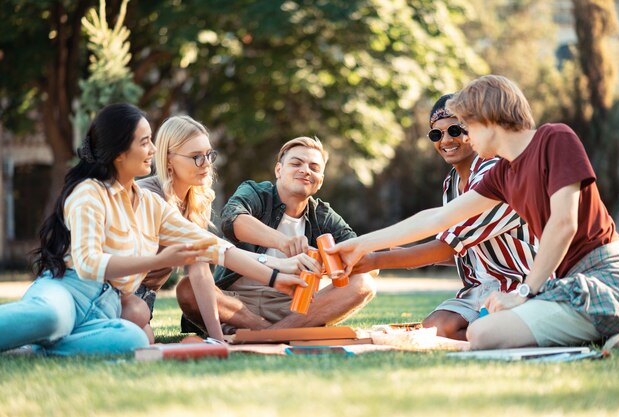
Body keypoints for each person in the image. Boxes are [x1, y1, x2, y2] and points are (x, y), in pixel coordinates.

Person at [329, 75, 619, 349]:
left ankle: (611, 324)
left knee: (485, 334)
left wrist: (525, 292)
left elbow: (563, 224)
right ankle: (609, 332)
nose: (465, 136)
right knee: (482, 333)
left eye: (466, 125)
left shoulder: (555, 138)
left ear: (487, 119)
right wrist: (360, 245)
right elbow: (436, 218)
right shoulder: (503, 174)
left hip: (605, 272)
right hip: (563, 282)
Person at [0, 103, 303, 356]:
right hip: (69, 290)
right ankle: (44, 335)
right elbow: (89, 263)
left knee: (133, 341)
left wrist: (276, 276)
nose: (153, 149)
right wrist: (158, 261)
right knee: (53, 317)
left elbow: (212, 246)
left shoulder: (150, 205)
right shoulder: (89, 193)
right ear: (119, 152)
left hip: (106, 308)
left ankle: (35, 349)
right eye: (144, 141)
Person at [351, 94, 542, 341]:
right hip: (480, 288)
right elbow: (465, 249)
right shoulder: (451, 183)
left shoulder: (495, 173)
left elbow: (448, 245)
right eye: (436, 134)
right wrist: (410, 256)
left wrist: (377, 260)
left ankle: (510, 328)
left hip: (519, 282)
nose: (446, 140)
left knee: (480, 333)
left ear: (474, 129)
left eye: (454, 130)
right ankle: (496, 330)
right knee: (436, 329)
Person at [176, 136, 377, 332]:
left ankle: (274, 331)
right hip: (235, 302)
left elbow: (366, 260)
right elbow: (232, 221)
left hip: (292, 308)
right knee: (188, 287)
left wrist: (325, 264)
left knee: (364, 282)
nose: (305, 171)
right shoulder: (255, 192)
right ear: (279, 170)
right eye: (296, 163)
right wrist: (284, 242)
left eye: (314, 168)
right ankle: (270, 330)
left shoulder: (323, 216)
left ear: (320, 181)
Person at [134, 115, 308, 339]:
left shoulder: (197, 200)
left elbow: (202, 269)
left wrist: (216, 339)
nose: (206, 164)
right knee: (141, 339)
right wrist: (276, 270)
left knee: (142, 335)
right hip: (120, 291)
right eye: (196, 157)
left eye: (209, 155)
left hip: (144, 297)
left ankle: (243, 329)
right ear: (168, 159)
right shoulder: (148, 196)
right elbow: (211, 253)